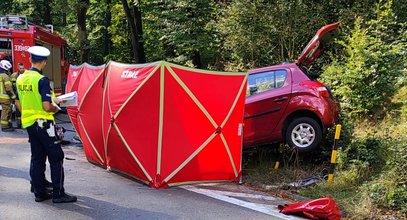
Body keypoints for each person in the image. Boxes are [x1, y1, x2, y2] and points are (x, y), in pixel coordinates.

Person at [15, 46, 77, 203]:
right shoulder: (42, 80)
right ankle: (58, 194)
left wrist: (29, 114)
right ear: (44, 62)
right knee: (56, 157)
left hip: (29, 123)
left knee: (37, 157)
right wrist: (57, 106)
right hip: (44, 124)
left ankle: (39, 192)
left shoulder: (21, 78)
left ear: (30, 60)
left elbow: (17, 102)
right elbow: (47, 106)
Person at [0, 59, 15, 132]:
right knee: (6, 111)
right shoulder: (5, 76)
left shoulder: (0, 75)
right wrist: (13, 97)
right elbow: (8, 88)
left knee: (5, 110)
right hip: (5, 98)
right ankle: (4, 126)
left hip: (1, 97)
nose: (9, 70)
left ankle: (7, 124)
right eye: (9, 68)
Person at [10, 62, 26, 128]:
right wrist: (13, 97)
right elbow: (12, 87)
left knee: (25, 110)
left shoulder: (26, 75)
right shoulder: (14, 75)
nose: (22, 69)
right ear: (18, 68)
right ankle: (19, 124)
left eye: (23, 68)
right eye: (20, 68)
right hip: (17, 95)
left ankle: (25, 124)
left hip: (25, 96)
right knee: (18, 111)